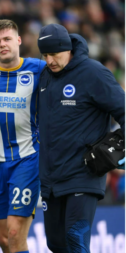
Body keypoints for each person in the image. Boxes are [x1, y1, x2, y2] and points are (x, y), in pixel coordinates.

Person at [37, 23, 125, 252]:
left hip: (83, 174)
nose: (49, 61)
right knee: (56, 244)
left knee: (75, 240)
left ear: (68, 49)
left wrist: (120, 147)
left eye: (54, 54)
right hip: (51, 179)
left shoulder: (94, 72)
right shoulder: (45, 76)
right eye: (44, 55)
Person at [0, 20, 45, 253]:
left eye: (7, 39)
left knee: (15, 232)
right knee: (3, 238)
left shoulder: (38, 69)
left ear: (19, 40)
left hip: (27, 159)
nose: (3, 44)